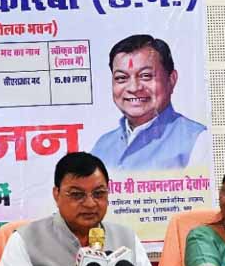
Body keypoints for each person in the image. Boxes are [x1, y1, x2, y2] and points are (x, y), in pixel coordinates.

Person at [0, 152, 156, 266]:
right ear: (56, 194)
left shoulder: (126, 238)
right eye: (77, 195)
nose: (90, 203)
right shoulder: (25, 240)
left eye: (99, 193)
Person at [90, 34, 209, 171]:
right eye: (121, 78)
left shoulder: (198, 140)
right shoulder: (101, 147)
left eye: (145, 76)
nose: (134, 88)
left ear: (171, 79)